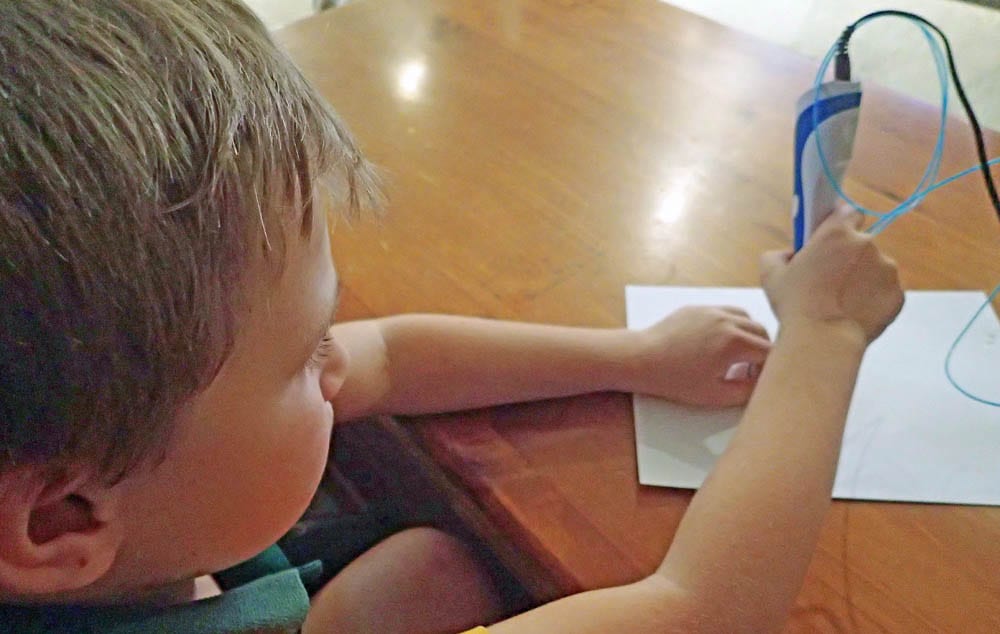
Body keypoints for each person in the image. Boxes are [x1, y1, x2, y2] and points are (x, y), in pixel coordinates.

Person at [0, 1, 903, 632]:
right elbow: (702, 606)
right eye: (308, 352)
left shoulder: (93, 481)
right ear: (61, 522)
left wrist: (636, 356)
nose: (337, 362)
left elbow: (389, 355)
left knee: (433, 566)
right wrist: (823, 338)